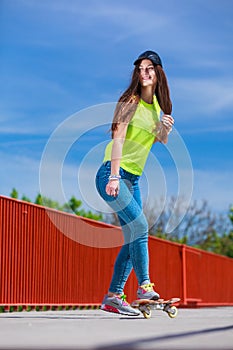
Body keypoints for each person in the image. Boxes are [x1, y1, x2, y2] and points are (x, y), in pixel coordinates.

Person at [95, 50, 174, 316]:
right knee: (140, 225)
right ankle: (144, 286)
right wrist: (115, 176)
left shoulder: (156, 109)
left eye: (149, 68)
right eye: (140, 69)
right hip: (112, 174)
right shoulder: (130, 101)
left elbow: (158, 140)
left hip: (134, 179)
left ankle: (114, 296)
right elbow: (117, 138)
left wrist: (165, 128)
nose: (144, 73)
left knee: (134, 235)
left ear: (158, 72)